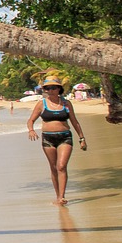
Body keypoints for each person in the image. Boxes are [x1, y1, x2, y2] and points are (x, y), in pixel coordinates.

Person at [27, 73, 87, 205]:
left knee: (61, 166)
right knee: (54, 168)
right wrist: (31, 130)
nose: (50, 90)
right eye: (47, 88)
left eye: (53, 88)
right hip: (48, 139)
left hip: (65, 137)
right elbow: (30, 120)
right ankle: (57, 195)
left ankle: (62, 196)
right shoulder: (41, 104)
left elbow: (74, 121)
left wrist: (82, 138)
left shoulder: (66, 103)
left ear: (59, 89)